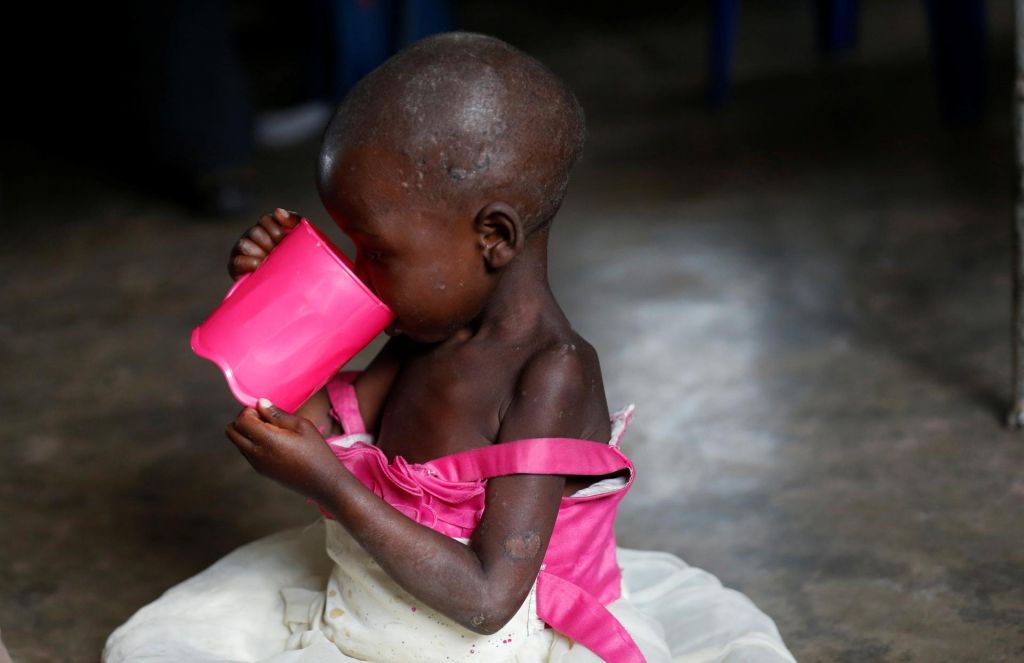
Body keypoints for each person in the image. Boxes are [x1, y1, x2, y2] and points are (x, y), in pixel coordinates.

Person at [103, 33, 795, 663]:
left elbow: (490, 597)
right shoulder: (421, 336)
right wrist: (274, 304)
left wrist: (332, 485)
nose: (357, 268)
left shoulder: (551, 373)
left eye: (376, 250)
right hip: (378, 608)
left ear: (493, 237)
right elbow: (301, 424)